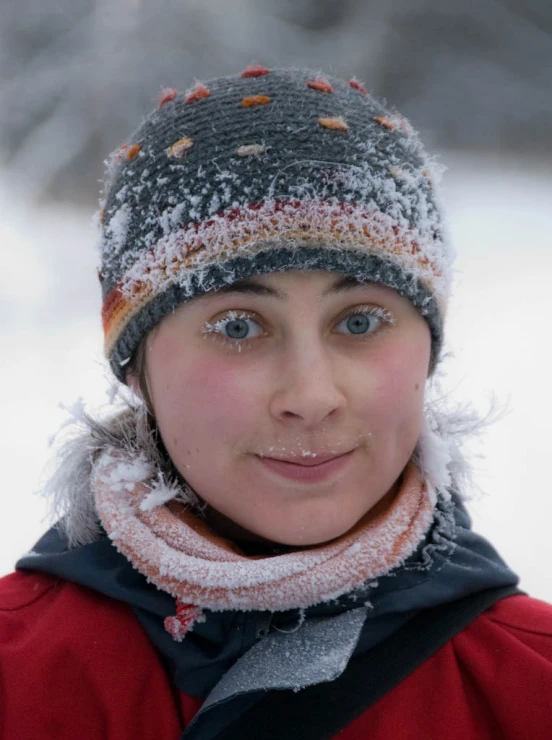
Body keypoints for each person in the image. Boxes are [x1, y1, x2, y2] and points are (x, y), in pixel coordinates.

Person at [1, 65, 551, 740]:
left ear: (427, 352)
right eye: (238, 326)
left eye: (359, 321)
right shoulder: (18, 679)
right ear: (136, 367)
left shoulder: (530, 686)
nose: (311, 397)